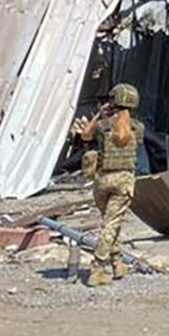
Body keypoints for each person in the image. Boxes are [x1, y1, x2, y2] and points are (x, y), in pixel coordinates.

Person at [73, 83, 144, 286]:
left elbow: (85, 135)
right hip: (123, 181)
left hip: (103, 180)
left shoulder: (103, 125)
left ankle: (117, 263)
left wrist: (99, 114)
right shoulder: (138, 128)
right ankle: (97, 268)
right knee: (111, 225)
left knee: (111, 224)